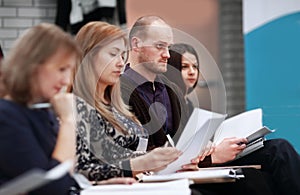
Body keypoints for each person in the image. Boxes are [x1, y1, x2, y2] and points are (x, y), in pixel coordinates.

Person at [120, 16, 300, 194]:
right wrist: (210, 158)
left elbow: (184, 140)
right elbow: (145, 154)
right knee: (255, 181)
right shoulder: (120, 91)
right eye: (160, 46)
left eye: (168, 47)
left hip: (192, 163)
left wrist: (204, 146)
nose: (167, 54)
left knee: (278, 149)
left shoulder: (171, 90)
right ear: (136, 45)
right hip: (168, 173)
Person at [72, 21, 182, 183]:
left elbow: (122, 156)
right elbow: (79, 169)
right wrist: (137, 164)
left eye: (122, 55)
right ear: (88, 55)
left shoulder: (114, 104)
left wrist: (161, 159)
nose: (120, 63)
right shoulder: (76, 106)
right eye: (113, 54)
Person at [0, 23, 80, 195]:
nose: (66, 80)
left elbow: (63, 176)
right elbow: (50, 188)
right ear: (33, 66)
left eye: (69, 71)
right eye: (61, 69)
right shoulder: (6, 116)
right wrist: (68, 121)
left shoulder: (42, 111)